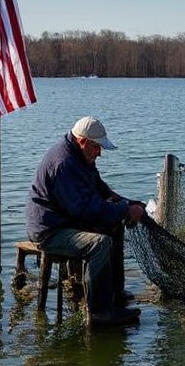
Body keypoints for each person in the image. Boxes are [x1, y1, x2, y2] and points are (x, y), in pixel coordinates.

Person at [25, 116, 146, 325]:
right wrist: (124, 210)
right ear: (83, 142)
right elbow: (85, 209)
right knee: (99, 244)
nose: (99, 153)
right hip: (50, 231)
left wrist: (127, 203)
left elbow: (101, 189)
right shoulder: (64, 164)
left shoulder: (80, 156)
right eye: (97, 147)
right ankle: (99, 312)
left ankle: (114, 294)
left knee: (115, 226)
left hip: (66, 219)